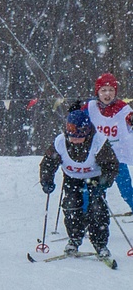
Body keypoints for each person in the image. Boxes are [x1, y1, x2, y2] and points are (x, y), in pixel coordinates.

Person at [39, 109, 118, 260]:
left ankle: (100, 244)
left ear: (87, 134)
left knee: (97, 208)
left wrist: (104, 182)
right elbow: (48, 163)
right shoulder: (60, 142)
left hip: (95, 178)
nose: (74, 140)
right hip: (72, 177)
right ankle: (74, 239)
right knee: (70, 205)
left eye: (79, 137)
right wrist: (47, 180)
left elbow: (111, 165)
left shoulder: (99, 142)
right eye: (72, 136)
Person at [83, 72, 133, 215]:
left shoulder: (123, 108)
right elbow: (77, 120)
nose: (107, 94)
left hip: (117, 158)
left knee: (126, 189)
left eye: (111, 90)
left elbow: (130, 118)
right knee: (90, 190)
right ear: (97, 92)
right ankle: (84, 217)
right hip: (96, 158)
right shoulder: (90, 107)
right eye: (103, 90)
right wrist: (75, 112)